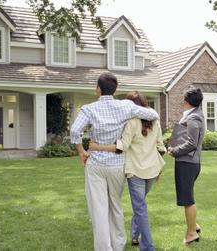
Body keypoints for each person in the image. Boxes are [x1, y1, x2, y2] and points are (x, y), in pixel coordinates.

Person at [70, 73, 160, 251]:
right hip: (117, 164)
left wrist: (81, 151)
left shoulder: (89, 109)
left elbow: (75, 131)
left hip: (96, 164)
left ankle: (104, 247)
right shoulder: (125, 106)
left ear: (98, 89)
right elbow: (153, 114)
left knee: (99, 208)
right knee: (115, 204)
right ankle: (118, 244)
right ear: (115, 89)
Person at [89, 91, 166, 251]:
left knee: (140, 208)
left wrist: (97, 147)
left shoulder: (131, 122)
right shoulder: (155, 121)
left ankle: (148, 247)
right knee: (141, 206)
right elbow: (160, 146)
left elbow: (122, 146)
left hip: (136, 171)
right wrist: (159, 170)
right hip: (152, 170)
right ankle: (135, 234)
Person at [167, 87, 205, 245]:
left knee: (187, 199)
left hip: (187, 164)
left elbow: (191, 143)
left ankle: (191, 233)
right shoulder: (196, 114)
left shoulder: (193, 118)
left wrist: (174, 151)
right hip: (190, 163)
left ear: (187, 101)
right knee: (187, 197)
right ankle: (193, 226)